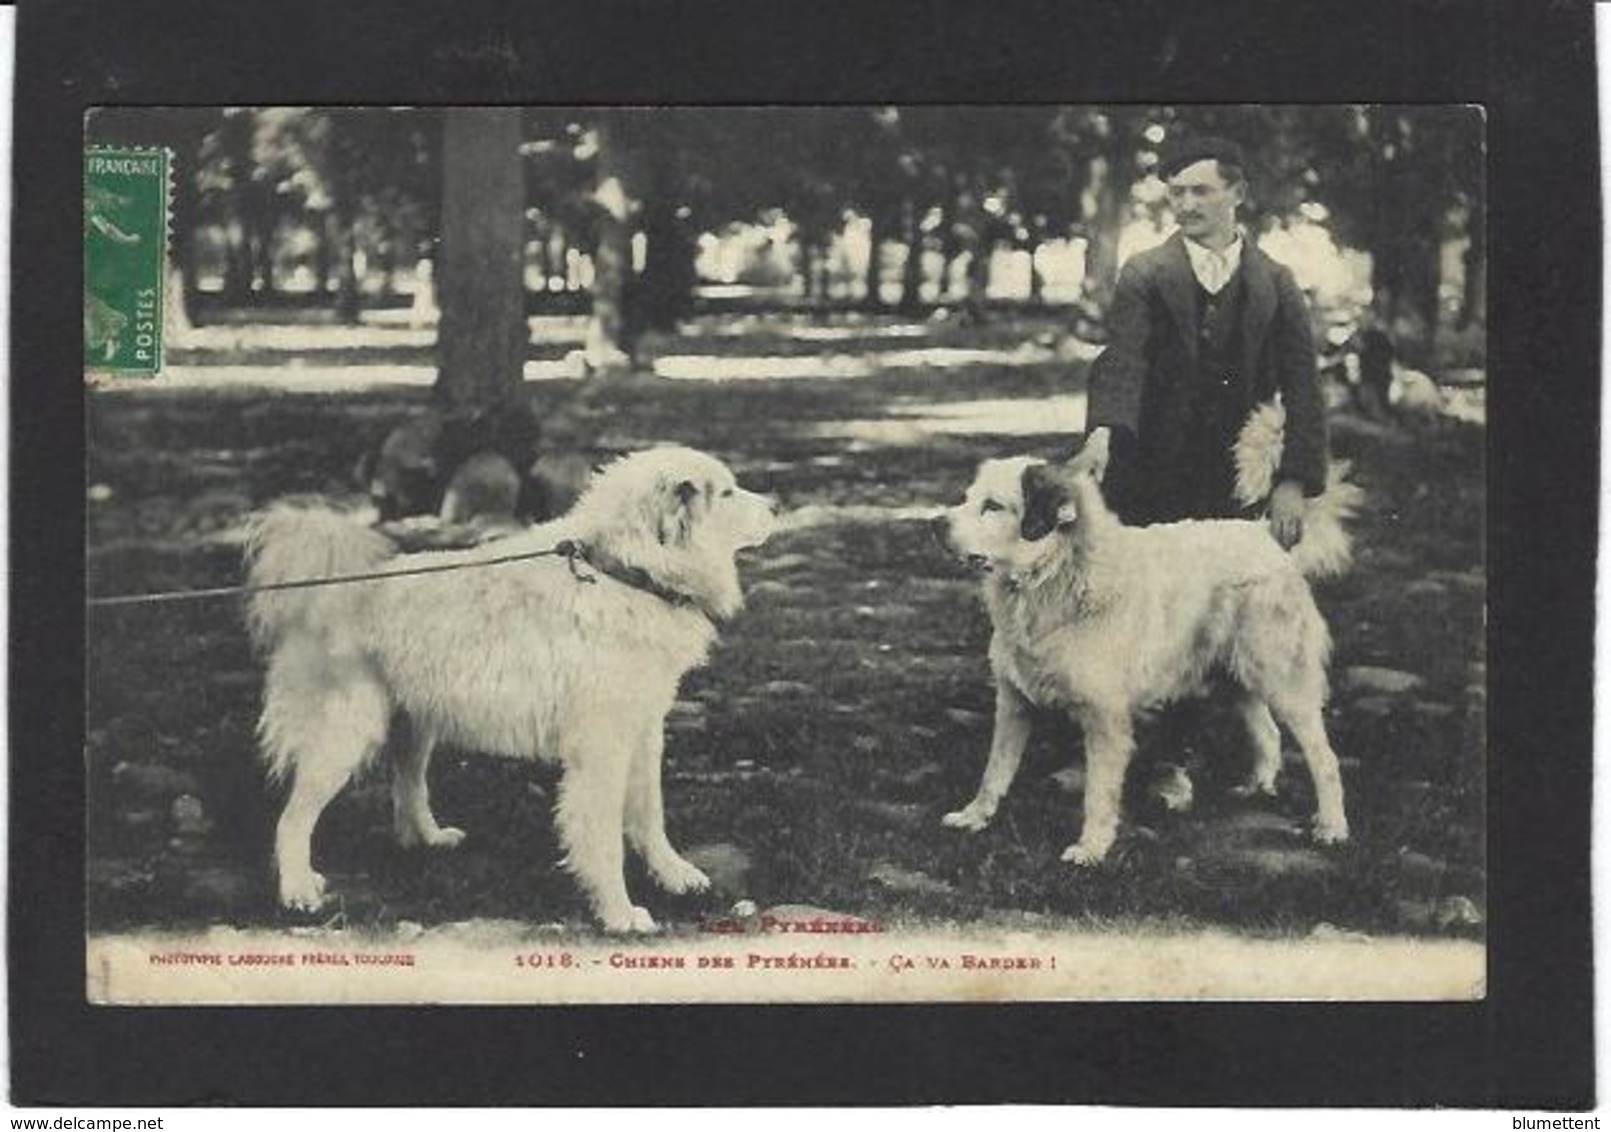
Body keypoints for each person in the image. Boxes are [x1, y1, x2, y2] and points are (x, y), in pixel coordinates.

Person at [1077, 135, 1329, 548]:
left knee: (1233, 600)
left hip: (1238, 482)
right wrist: (1103, 431)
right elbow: (1124, 358)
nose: (1186, 205)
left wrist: (1293, 481)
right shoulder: (1145, 273)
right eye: (1177, 192)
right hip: (1153, 472)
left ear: (1238, 194)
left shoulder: (1277, 282)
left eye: (1201, 191)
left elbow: (1303, 386)